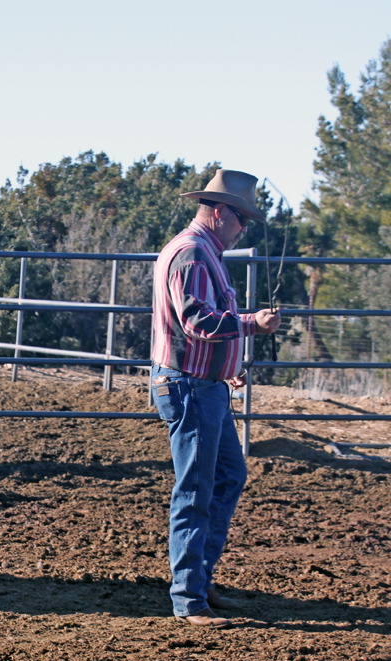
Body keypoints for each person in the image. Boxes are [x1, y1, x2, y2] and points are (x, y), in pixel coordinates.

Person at [150, 169, 281, 629]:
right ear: (221, 212)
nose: (244, 228)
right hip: (191, 386)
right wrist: (250, 325)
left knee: (226, 476)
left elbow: (202, 324)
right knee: (196, 488)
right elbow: (197, 321)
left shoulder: (202, 252)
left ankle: (198, 582)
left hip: (204, 384)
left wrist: (229, 365)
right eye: (242, 219)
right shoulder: (192, 254)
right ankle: (189, 597)